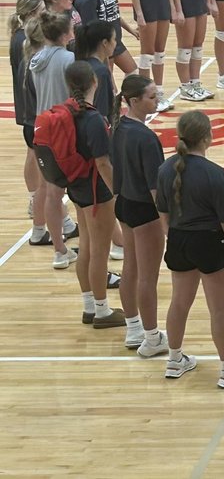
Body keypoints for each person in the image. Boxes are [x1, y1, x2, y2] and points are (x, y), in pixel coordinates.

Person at [157, 110, 224, 388]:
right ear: (207, 137)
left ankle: (175, 359)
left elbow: (162, 212)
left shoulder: (165, 169)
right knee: (219, 310)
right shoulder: (214, 174)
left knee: (179, 303)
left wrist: (173, 237)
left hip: (179, 240)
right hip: (210, 244)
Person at [60, 61, 124, 330]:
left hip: (76, 187)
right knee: (99, 252)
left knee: (86, 246)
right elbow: (103, 163)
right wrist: (117, 192)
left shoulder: (67, 111)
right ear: (94, 83)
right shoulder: (94, 119)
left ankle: (89, 306)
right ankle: (102, 311)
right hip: (97, 191)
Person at [111, 74, 169, 356]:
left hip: (124, 203)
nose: (156, 100)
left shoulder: (118, 127)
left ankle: (134, 328)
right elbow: (155, 189)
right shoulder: (146, 138)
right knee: (148, 276)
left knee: (130, 268)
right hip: (145, 210)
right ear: (134, 101)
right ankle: (152, 337)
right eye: (151, 97)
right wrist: (167, 223)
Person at [27, 11, 80, 270]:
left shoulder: (34, 59)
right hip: (64, 127)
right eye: (71, 29)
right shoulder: (70, 59)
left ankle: (59, 251)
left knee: (51, 192)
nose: (74, 33)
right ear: (63, 35)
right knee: (79, 190)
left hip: (41, 128)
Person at [9, 0, 51, 241]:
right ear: (32, 12)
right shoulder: (23, 40)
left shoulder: (21, 36)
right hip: (32, 109)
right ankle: (36, 202)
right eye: (42, 9)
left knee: (32, 153)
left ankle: (35, 201)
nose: (45, 12)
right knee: (36, 155)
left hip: (29, 108)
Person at [74, 0, 138, 77]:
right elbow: (91, 30)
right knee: (108, 78)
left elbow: (114, 13)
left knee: (132, 71)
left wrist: (130, 30)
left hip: (114, 39)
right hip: (104, 42)